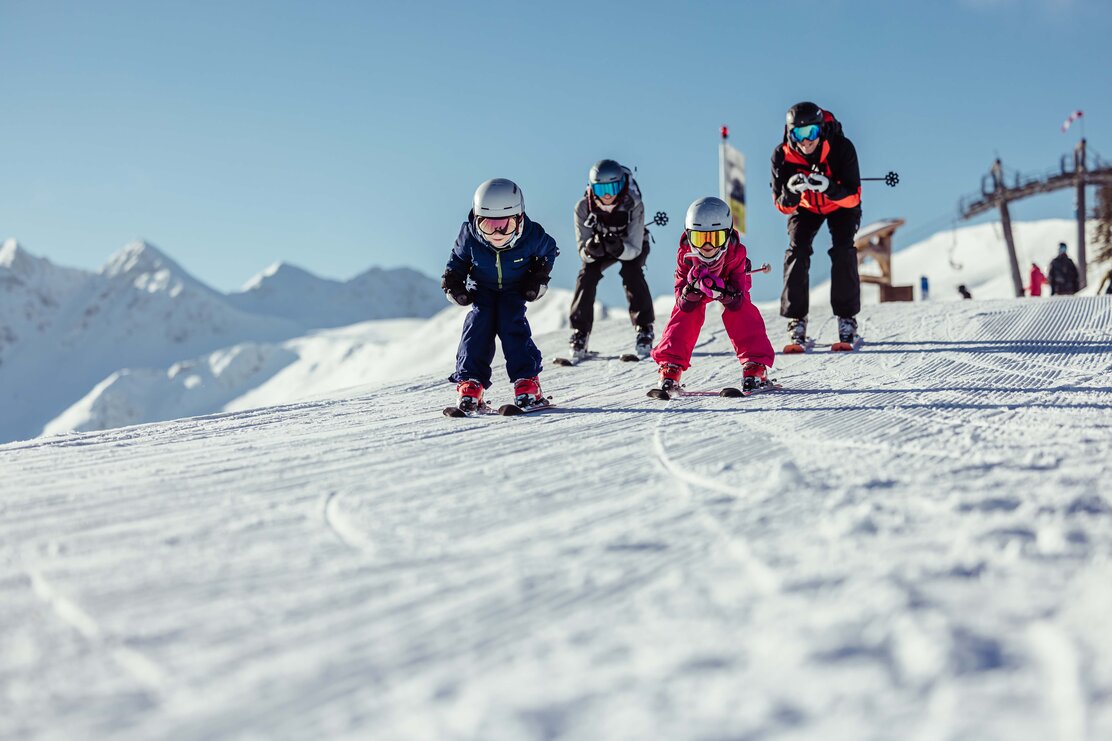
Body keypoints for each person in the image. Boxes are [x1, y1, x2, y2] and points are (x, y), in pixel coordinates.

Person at [442, 178, 558, 411]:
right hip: (481, 289)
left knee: (511, 324)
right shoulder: (469, 236)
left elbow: (549, 252)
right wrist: (453, 283)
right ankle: (470, 383)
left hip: (514, 288)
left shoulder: (532, 234)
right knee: (477, 326)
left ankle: (526, 382)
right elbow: (457, 261)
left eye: (504, 225)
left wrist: (537, 278)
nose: (496, 233)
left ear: (519, 219)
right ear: (476, 219)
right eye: (488, 225)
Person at [650, 197, 775, 394]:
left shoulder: (736, 253)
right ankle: (670, 365)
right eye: (700, 238)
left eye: (715, 238)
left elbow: (739, 294)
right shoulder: (685, 255)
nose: (707, 246)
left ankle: (755, 364)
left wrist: (726, 293)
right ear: (689, 237)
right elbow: (680, 293)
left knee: (741, 310)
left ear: (726, 236)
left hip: (728, 283)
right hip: (698, 284)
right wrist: (687, 294)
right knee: (685, 313)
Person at [770, 101, 862, 351]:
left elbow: (854, 196)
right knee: (797, 250)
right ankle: (796, 319)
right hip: (806, 207)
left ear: (821, 130)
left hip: (840, 205)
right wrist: (791, 192)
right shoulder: (782, 155)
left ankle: (847, 318)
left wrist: (829, 187)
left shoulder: (841, 148)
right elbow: (780, 205)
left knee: (843, 249)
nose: (806, 141)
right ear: (790, 133)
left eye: (811, 132)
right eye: (799, 134)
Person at [568, 159, 655, 361]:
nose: (607, 195)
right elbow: (582, 249)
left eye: (612, 187)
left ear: (622, 185)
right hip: (601, 248)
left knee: (632, 272)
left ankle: (644, 329)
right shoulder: (582, 208)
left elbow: (634, 249)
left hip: (631, 245)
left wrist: (619, 247)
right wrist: (591, 250)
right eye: (601, 189)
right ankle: (580, 333)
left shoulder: (634, 204)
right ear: (592, 188)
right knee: (587, 275)